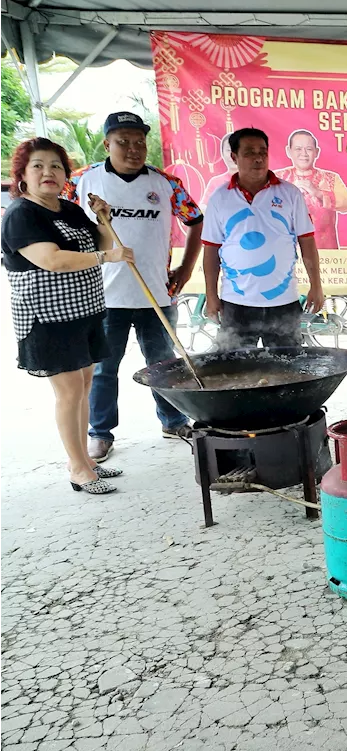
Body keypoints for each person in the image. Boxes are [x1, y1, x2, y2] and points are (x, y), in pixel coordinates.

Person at [2, 137, 135, 494]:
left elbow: (102, 244)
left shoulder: (70, 209)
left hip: (85, 312)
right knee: (69, 391)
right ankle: (78, 467)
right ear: (23, 175)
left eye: (56, 166)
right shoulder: (21, 214)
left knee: (85, 384)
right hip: (46, 318)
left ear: (65, 175)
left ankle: (85, 459)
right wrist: (107, 258)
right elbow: (53, 260)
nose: (48, 172)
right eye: (38, 166)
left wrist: (104, 219)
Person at [69, 111, 204, 462]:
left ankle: (173, 420)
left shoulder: (165, 183)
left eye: (140, 142)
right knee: (103, 368)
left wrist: (186, 269)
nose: (133, 149)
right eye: (123, 142)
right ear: (107, 144)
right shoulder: (82, 182)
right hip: (103, 296)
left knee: (164, 364)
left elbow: (196, 220)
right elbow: (59, 222)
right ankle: (99, 432)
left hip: (156, 293)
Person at [201, 128, 325, 347]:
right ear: (234, 157)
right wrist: (211, 295)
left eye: (263, 152)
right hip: (236, 303)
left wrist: (316, 285)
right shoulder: (220, 197)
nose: (258, 158)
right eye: (249, 152)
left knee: (287, 371)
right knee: (235, 373)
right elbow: (211, 250)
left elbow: (307, 242)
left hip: (283, 303)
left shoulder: (290, 194)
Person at [275, 129, 347, 250]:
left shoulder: (330, 178)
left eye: (309, 149)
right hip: (285, 253)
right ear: (288, 151)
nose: (304, 154)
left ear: (316, 152)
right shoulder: (276, 178)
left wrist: (319, 194)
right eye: (298, 149)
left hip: (325, 255)